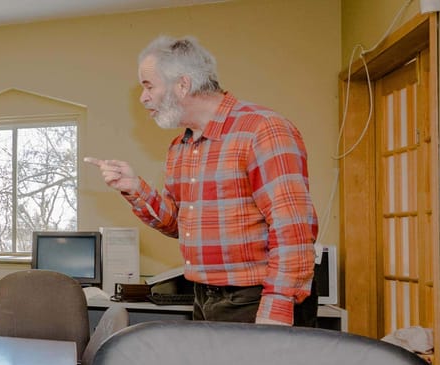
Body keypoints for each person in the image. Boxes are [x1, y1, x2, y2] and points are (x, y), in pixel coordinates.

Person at [87, 35, 319, 326]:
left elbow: (293, 229)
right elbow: (177, 224)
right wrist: (135, 188)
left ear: (182, 85)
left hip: (257, 299)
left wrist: (278, 308)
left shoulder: (262, 129)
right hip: (204, 297)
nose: (143, 97)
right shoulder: (181, 147)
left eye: (148, 86)